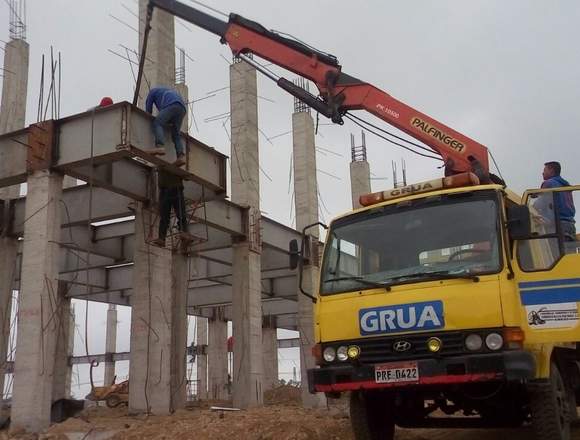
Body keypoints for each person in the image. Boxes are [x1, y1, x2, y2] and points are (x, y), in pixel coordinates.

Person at [145, 86, 187, 167]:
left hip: (171, 105)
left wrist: (148, 118)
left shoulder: (152, 92)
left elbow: (148, 109)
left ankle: (160, 146)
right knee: (176, 134)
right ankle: (181, 156)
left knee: (158, 123)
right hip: (182, 108)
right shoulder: (166, 91)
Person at [151, 169, 188, 247]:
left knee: (180, 214)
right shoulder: (160, 159)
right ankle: (161, 238)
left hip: (175, 188)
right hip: (165, 189)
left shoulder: (176, 157)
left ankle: (184, 233)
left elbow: (186, 173)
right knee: (164, 216)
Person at [540, 161, 576, 241]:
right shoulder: (566, 186)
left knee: (552, 252)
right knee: (568, 252)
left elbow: (539, 204)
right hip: (570, 226)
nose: (542, 173)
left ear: (551, 171)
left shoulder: (548, 183)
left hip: (557, 226)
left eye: (545, 170)